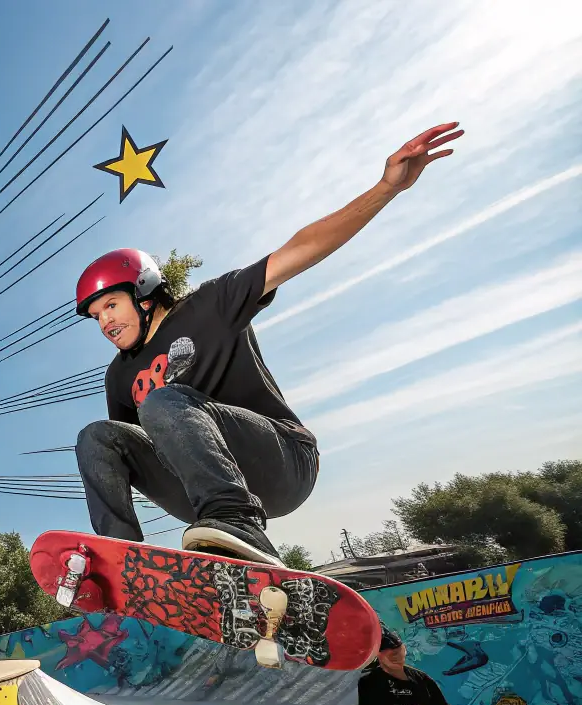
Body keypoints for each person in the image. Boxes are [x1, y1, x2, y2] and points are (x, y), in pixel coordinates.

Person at [74, 123, 463, 566]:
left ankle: (235, 522)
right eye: (95, 316)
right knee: (97, 438)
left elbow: (300, 250)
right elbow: (128, 457)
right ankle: (123, 562)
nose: (104, 321)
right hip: (199, 488)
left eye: (110, 305)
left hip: (282, 461)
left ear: (144, 293)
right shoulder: (120, 374)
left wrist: (385, 189)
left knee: (163, 401)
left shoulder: (211, 305)